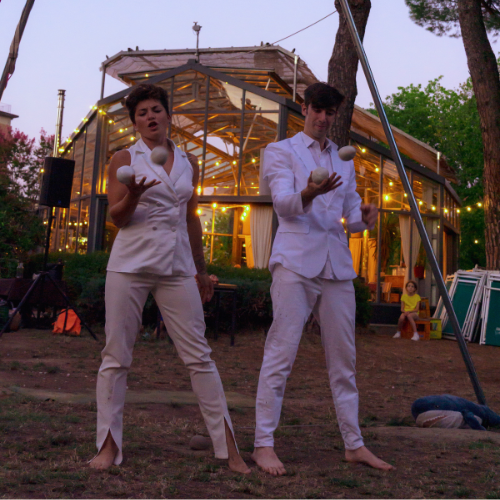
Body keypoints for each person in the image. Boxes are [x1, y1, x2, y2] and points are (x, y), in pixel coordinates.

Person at [89, 83, 249, 474]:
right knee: (116, 357)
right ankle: (108, 446)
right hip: (129, 266)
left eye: (156, 110)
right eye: (142, 113)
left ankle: (228, 448)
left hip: (176, 268)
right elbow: (116, 218)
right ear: (135, 122)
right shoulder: (124, 158)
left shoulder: (189, 161)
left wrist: (201, 269)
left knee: (199, 355)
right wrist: (134, 195)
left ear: (167, 115)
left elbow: (191, 217)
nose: (150, 117)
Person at [251, 82, 393, 475]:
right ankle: (263, 443)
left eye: (330, 113)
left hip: (336, 266)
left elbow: (349, 217)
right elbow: (283, 204)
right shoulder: (280, 151)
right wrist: (309, 193)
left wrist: (364, 218)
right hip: (295, 263)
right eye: (318, 110)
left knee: (344, 360)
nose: (323, 118)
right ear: (305, 108)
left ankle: (354, 444)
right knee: (280, 353)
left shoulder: (343, 159)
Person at [412, 395, 500, 430]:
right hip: (432, 407)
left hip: (418, 410)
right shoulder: (479, 413)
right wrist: (480, 429)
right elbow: (469, 416)